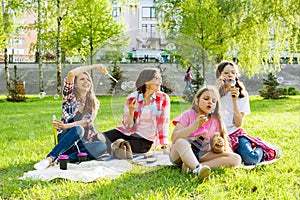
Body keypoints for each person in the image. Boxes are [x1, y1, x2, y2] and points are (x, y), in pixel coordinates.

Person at [34, 64, 108, 170]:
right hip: (67, 137)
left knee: (102, 146)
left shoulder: (94, 103)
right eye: (82, 79)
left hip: (83, 143)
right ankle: (50, 159)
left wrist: (66, 125)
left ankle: (65, 159)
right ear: (75, 84)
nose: (86, 81)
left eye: (88, 79)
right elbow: (71, 74)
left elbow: (86, 122)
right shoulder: (69, 98)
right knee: (78, 129)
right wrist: (94, 67)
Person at [215, 60, 281, 165]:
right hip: (217, 135)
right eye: (226, 73)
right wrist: (216, 91)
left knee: (251, 159)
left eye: (233, 72)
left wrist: (234, 100)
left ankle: (263, 148)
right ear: (219, 76)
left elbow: (238, 124)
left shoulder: (242, 95)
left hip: (235, 134)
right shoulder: (212, 94)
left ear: (236, 75)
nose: (230, 75)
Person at [170, 86, 241, 180]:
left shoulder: (216, 121)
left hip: (202, 155)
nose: (210, 102)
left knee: (236, 158)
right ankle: (196, 168)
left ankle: (195, 167)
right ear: (196, 101)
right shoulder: (188, 114)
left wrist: (218, 147)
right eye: (206, 98)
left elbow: (216, 149)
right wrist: (194, 126)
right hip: (180, 155)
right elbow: (174, 138)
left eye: (214, 101)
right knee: (181, 142)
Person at [96, 68, 170, 154]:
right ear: (146, 82)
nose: (160, 82)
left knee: (122, 147)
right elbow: (127, 126)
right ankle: (108, 146)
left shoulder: (163, 98)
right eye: (157, 78)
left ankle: (109, 147)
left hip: (144, 141)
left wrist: (164, 146)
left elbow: (163, 123)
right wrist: (131, 111)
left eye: (160, 78)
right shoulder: (133, 97)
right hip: (127, 133)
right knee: (99, 137)